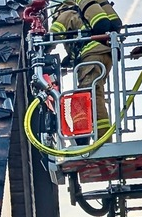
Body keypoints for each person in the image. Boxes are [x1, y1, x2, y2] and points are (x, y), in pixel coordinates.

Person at [51, 0, 123, 140]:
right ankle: (85, 135)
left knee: (91, 96)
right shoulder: (81, 14)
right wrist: (70, 58)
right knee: (92, 95)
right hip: (104, 54)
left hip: (91, 56)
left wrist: (38, 47)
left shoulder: (66, 14)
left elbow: (52, 37)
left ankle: (102, 140)